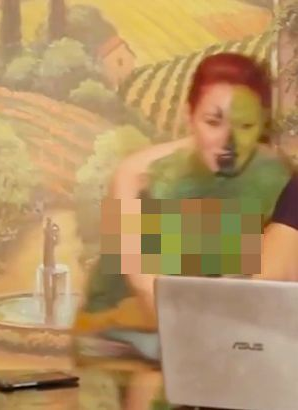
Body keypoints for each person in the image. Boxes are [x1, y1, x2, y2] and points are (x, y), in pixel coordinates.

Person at [74, 53, 292, 334]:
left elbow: (274, 280)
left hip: (226, 332)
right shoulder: (136, 175)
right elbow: (144, 284)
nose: (229, 142)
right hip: (126, 329)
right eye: (212, 122)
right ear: (190, 116)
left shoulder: (276, 174)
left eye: (245, 125)